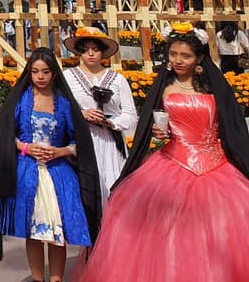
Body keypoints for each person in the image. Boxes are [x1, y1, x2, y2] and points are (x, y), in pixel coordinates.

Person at [77, 24, 249, 282]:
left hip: (216, 167)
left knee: (223, 230)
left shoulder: (214, 89)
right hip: (172, 162)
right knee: (166, 233)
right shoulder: (163, 88)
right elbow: (154, 123)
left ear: (200, 57)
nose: (178, 61)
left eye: (186, 55)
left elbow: (232, 125)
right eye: (173, 54)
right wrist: (160, 133)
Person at [0, 47, 100, 282]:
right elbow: (5, 135)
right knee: (34, 231)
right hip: (27, 172)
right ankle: (38, 279)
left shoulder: (65, 105)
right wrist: (26, 148)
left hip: (58, 173)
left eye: (45, 72)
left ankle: (57, 279)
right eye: (35, 71)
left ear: (54, 74)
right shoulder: (21, 100)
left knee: (57, 230)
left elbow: (79, 141)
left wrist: (61, 151)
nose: (40, 77)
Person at [62, 26, 137, 204]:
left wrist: (112, 123)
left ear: (103, 53)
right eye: (86, 50)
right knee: (85, 189)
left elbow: (130, 114)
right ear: (79, 52)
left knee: (113, 186)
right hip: (82, 138)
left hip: (111, 141)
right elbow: (61, 108)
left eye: (95, 50)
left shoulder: (118, 79)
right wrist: (82, 114)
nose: (90, 54)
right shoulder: (68, 77)